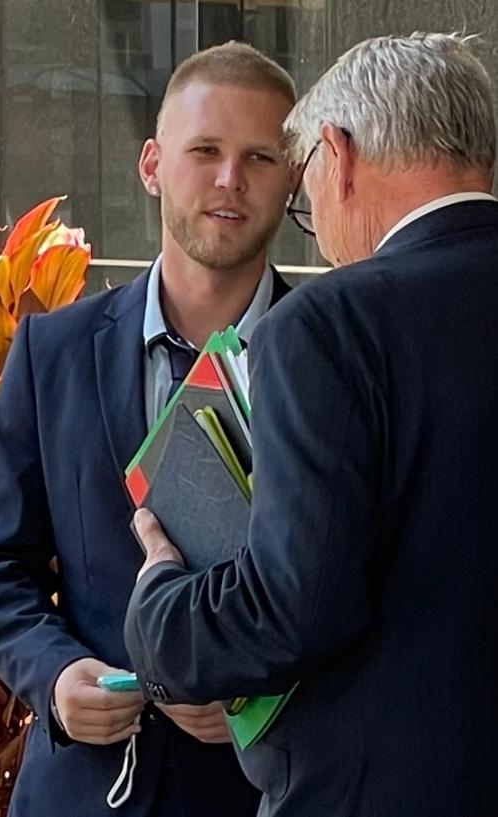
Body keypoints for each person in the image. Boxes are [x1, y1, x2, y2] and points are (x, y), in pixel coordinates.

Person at [124, 32, 498, 817]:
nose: (316, 224)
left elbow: (292, 607)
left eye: (303, 190)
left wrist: (161, 601)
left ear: (338, 154)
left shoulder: (329, 322)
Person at [0, 41, 296, 817]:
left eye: (260, 157)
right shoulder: (53, 352)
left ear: (296, 174)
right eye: (204, 150)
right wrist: (57, 675)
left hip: (265, 796)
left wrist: (262, 687)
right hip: (82, 792)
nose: (228, 180)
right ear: (151, 164)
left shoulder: (340, 363)